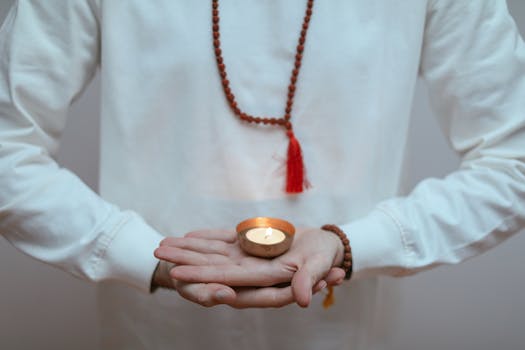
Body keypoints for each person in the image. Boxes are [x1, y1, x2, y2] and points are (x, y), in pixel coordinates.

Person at [1, 0, 524, 349]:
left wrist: (355, 243)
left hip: (345, 330)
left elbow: (515, 156)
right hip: (152, 330)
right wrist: (136, 252)